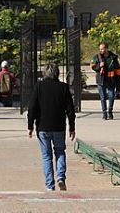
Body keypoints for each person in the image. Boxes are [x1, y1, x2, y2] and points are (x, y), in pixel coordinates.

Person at [27, 63, 76, 192]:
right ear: (57, 73)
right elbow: (70, 109)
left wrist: (30, 125)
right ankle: (61, 177)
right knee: (60, 151)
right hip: (59, 126)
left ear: (45, 73)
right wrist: (72, 127)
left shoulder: (39, 86)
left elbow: (32, 107)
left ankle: (50, 185)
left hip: (43, 126)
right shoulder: (63, 87)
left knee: (46, 156)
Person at [90, 42, 120, 120]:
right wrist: (99, 66)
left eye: (103, 48)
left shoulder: (113, 58)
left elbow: (118, 71)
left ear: (107, 48)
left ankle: (110, 111)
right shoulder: (97, 57)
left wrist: (118, 84)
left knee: (111, 96)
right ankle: (104, 113)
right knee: (103, 97)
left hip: (111, 80)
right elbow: (92, 66)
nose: (101, 50)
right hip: (101, 80)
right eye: (100, 49)